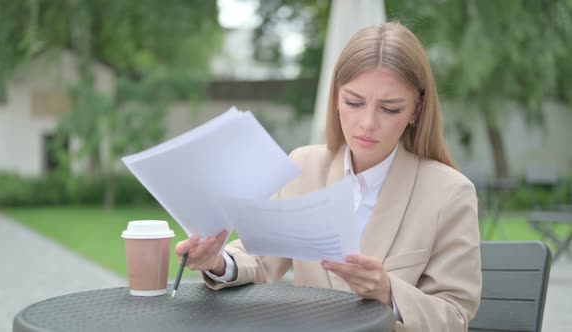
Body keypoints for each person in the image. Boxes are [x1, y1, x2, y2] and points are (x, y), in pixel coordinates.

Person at [175, 21, 481, 331]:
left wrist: (388, 292)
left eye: (390, 108)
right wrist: (217, 262)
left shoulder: (448, 193)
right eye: (354, 102)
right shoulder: (304, 167)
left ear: (416, 109)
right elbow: (260, 258)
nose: (367, 123)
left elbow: (454, 316)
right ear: (335, 98)